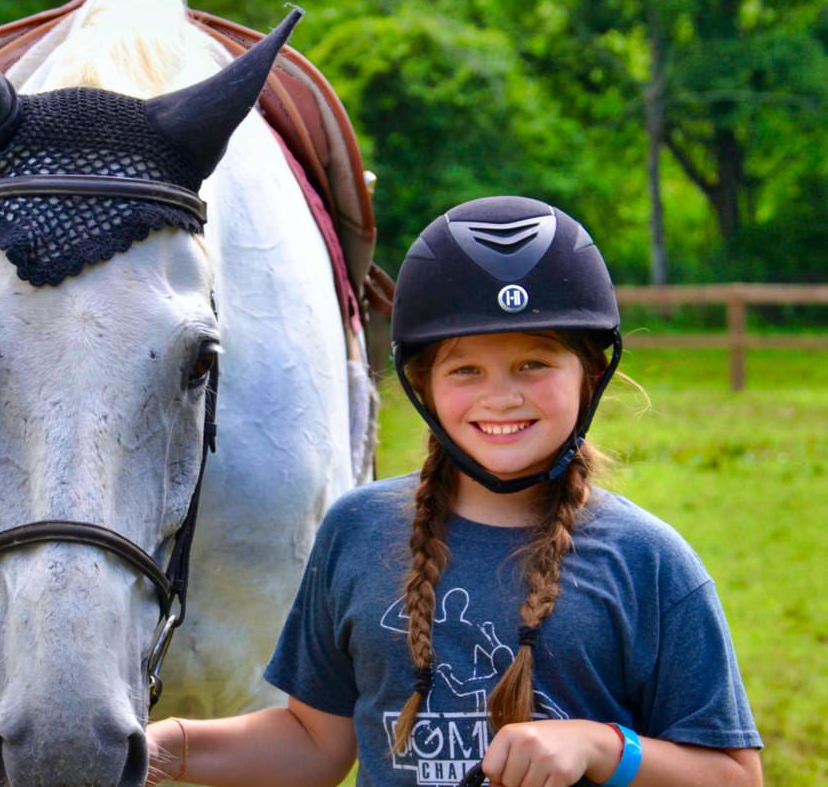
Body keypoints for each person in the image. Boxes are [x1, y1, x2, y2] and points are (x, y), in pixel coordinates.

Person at [146, 196, 763, 787]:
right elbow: (314, 744)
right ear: (423, 383)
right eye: (466, 369)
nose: (501, 396)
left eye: (534, 364)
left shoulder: (648, 561)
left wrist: (602, 748)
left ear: (591, 375)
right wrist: (157, 746)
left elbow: (734, 776)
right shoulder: (357, 531)